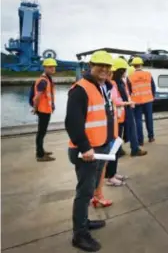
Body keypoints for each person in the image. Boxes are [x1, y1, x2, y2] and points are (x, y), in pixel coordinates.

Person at [65, 50, 118, 252]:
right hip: (86, 151)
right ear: (91, 66)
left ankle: (84, 221)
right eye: (100, 65)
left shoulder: (103, 86)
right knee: (84, 192)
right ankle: (79, 234)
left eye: (108, 66)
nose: (104, 69)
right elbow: (72, 122)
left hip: (100, 147)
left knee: (91, 188)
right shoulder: (80, 89)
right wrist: (85, 146)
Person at [33, 58, 57, 162]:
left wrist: (52, 105)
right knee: (41, 133)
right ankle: (40, 155)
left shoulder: (47, 79)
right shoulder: (43, 81)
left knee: (42, 132)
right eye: (50, 67)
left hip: (46, 110)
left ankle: (41, 150)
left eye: (54, 67)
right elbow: (37, 97)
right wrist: (35, 108)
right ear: (45, 68)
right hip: (43, 110)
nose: (53, 69)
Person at [129, 57, 156, 146]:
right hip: (148, 99)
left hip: (136, 101)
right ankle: (151, 137)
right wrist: (153, 96)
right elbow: (153, 87)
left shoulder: (130, 77)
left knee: (138, 120)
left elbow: (129, 90)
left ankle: (140, 141)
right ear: (141, 64)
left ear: (133, 65)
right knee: (149, 119)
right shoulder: (148, 74)